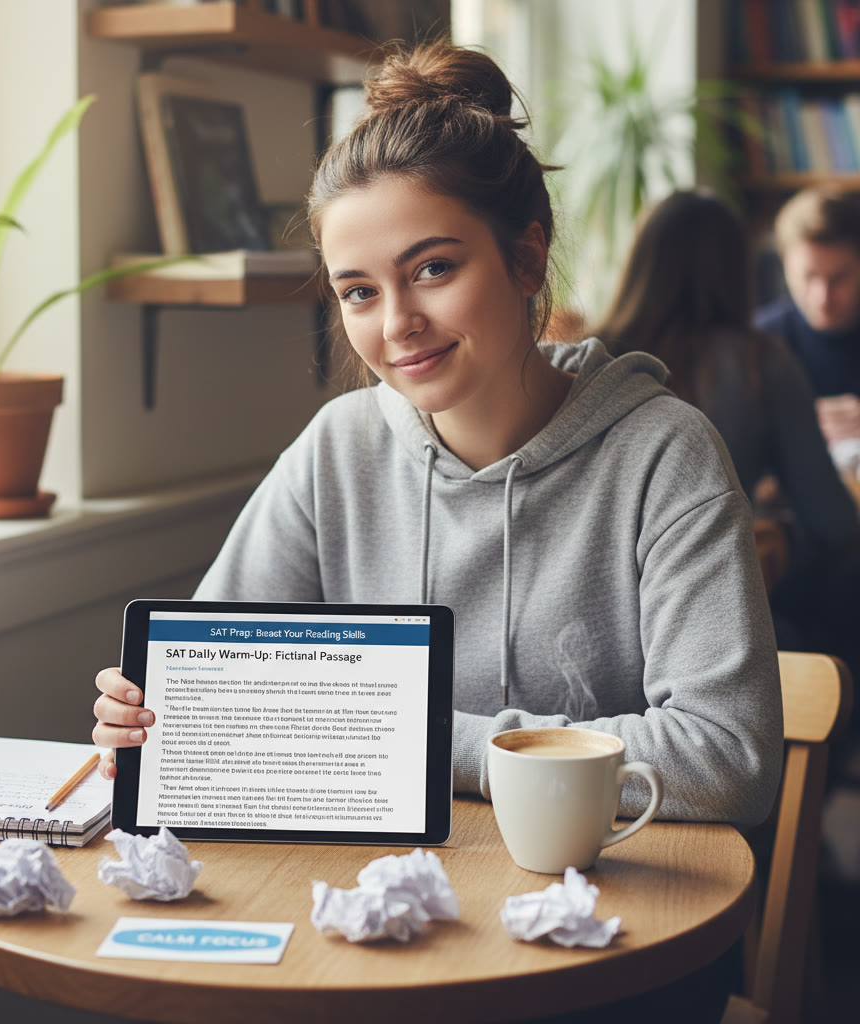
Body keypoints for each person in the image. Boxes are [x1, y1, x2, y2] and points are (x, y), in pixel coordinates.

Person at [92, 41, 781, 1021]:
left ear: (527, 254)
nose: (397, 323)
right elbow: (217, 678)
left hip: (606, 952)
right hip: (379, 935)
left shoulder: (663, 454)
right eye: (359, 291)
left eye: (433, 268)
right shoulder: (337, 446)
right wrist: (161, 715)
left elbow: (726, 757)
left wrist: (404, 735)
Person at [595, 189, 858, 581]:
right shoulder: (759, 361)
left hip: (598, 588)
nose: (823, 297)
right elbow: (833, 525)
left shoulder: (587, 357)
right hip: (711, 590)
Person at [755, 185, 860, 446]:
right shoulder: (758, 340)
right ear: (784, 264)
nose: (822, 297)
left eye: (839, 278)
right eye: (809, 277)